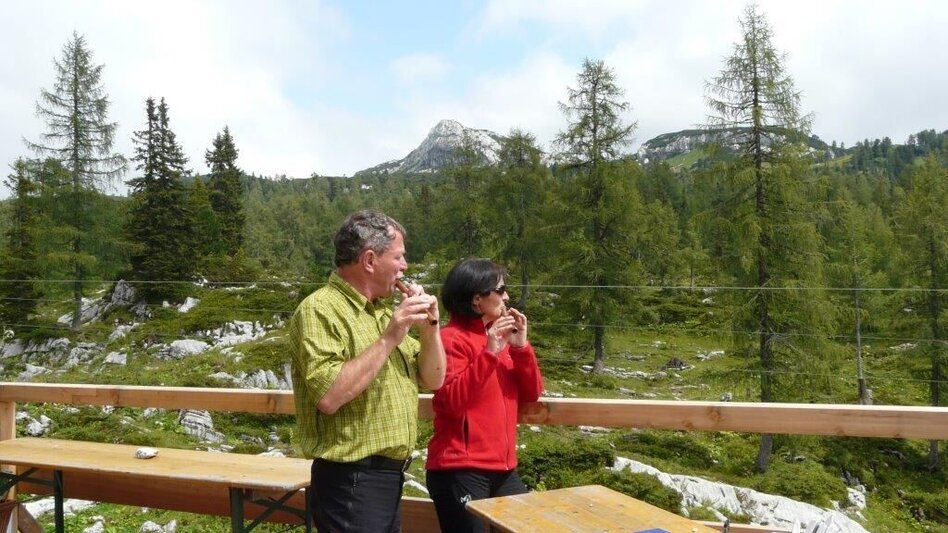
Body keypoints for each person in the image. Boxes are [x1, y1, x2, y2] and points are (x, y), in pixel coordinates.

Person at [288, 210, 445, 533]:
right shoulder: (320, 309)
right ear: (370, 260)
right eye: (399, 257)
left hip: (386, 479)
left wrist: (431, 327)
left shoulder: (380, 313)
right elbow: (329, 395)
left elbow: (433, 378)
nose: (405, 267)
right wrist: (391, 337)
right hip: (351, 481)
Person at [426, 258, 544, 533]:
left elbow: (532, 393)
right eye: (500, 289)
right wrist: (489, 354)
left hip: (503, 469)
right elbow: (450, 402)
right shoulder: (450, 339)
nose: (507, 296)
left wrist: (521, 347)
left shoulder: (499, 338)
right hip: (459, 469)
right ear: (477, 299)